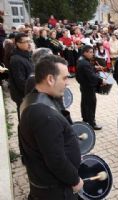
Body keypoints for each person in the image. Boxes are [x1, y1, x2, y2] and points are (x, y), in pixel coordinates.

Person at [19, 55, 83, 200]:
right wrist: (75, 179)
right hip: (55, 191)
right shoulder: (43, 115)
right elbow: (56, 159)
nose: (67, 83)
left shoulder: (33, 98)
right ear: (50, 79)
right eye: (65, 78)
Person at [76, 45, 105, 130]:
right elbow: (91, 76)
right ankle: (92, 123)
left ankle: (85, 119)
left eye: (93, 52)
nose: (93, 54)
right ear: (85, 52)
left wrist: (95, 67)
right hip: (88, 86)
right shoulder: (84, 63)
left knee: (85, 103)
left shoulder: (82, 59)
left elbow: (87, 70)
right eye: (91, 52)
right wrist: (101, 80)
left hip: (84, 85)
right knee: (91, 104)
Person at [9, 33, 34, 120]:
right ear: (18, 44)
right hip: (23, 96)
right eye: (26, 42)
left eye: (29, 41)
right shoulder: (16, 59)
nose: (29, 43)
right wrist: (33, 91)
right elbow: (20, 82)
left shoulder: (25, 55)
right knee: (25, 120)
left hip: (28, 94)